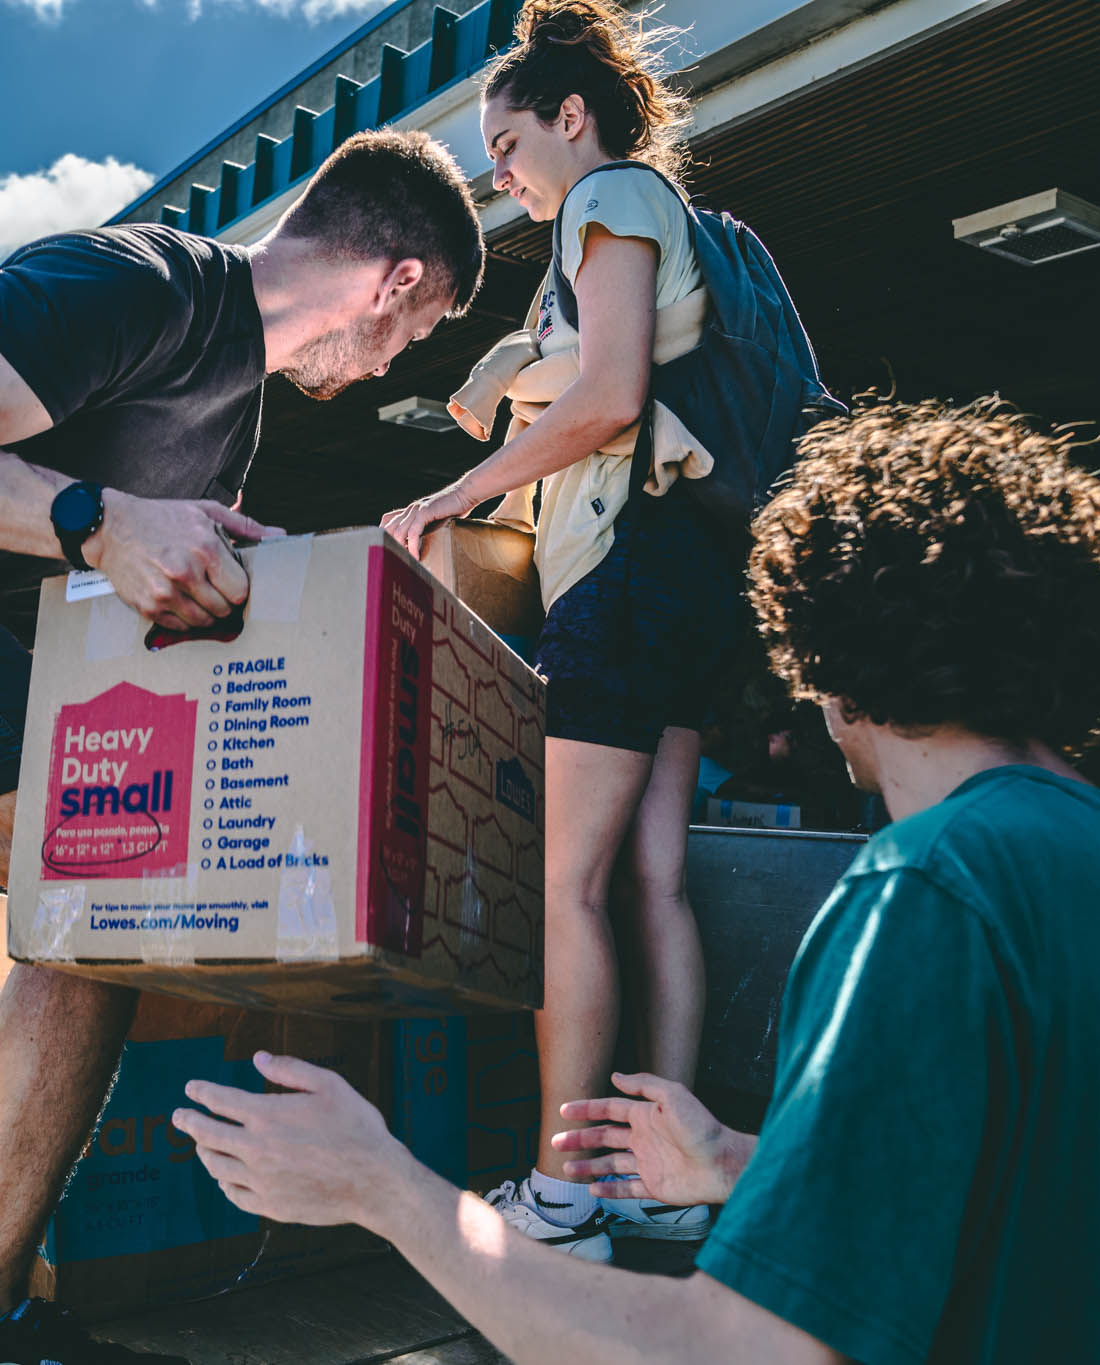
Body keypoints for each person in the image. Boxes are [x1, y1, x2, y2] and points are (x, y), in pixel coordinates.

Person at [176, 398, 1100, 1364]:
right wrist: (757, 1168)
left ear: (829, 650)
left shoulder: (929, 884)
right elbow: (1050, 1212)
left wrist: (388, 1192)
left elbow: (732, 1346)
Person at [0, 129, 485, 1365]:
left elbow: (106, 583)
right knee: (106, 895)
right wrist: (95, 520)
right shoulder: (146, 284)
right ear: (396, 283)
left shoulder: (228, 419)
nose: (401, 357)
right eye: (421, 328)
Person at [380, 0, 732, 1251]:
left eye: (507, 144)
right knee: (649, 882)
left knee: (559, 886)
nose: (498, 173)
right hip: (684, 571)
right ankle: (664, 1177)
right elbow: (602, 382)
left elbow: (610, 393)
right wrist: (500, 376)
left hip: (625, 571)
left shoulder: (609, 200)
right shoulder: (620, 220)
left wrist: (453, 492)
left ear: (569, 119)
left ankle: (566, 1187)